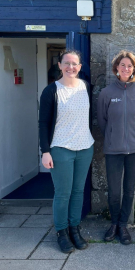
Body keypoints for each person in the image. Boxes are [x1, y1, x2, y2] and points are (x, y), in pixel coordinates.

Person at [39, 49, 94, 254]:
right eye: (67, 63)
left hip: (85, 147)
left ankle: (74, 229)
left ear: (80, 67)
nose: (71, 67)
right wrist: (45, 151)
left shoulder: (85, 87)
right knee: (63, 193)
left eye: (75, 64)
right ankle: (62, 233)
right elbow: (43, 123)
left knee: (78, 191)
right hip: (61, 148)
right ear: (60, 65)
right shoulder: (51, 91)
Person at [97, 50, 135, 245]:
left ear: (134, 69)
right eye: (123, 65)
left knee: (129, 189)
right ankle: (114, 224)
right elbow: (102, 121)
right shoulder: (106, 93)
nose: (127, 68)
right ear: (116, 68)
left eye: (130, 66)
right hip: (113, 150)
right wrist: (112, 136)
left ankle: (123, 225)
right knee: (114, 191)